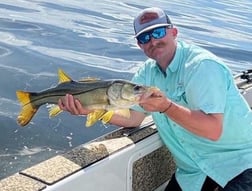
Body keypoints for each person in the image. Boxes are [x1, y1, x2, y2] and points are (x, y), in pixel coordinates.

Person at [58, 7, 252, 191]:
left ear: (174, 32)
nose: (152, 41)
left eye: (158, 33)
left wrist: (166, 107)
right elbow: (133, 118)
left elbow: (213, 130)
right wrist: (92, 109)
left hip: (239, 164)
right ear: (139, 44)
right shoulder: (147, 74)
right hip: (193, 173)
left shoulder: (202, 66)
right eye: (144, 37)